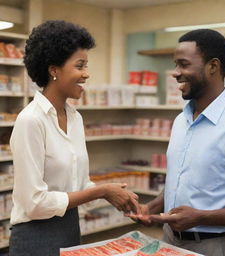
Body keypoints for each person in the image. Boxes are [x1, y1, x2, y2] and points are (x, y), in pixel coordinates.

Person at [9, 20, 140, 256]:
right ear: (53, 70)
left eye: (86, 65)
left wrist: (114, 194)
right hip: (34, 236)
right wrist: (101, 192)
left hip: (70, 228)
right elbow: (34, 203)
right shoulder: (31, 121)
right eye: (80, 66)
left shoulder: (75, 118)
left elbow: (79, 185)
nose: (86, 74)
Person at [129, 29, 225, 256]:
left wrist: (201, 217)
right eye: (175, 65)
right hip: (169, 240)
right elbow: (181, 184)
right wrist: (152, 208)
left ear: (213, 67)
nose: (176, 73)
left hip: (217, 246)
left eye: (184, 64)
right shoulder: (181, 121)